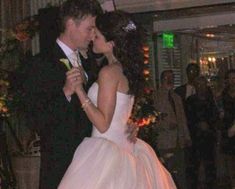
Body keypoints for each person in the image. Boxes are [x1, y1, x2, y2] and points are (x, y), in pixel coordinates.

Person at [58, 11, 177, 189]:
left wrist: (79, 91)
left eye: (96, 35)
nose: (92, 37)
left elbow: (103, 124)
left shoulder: (108, 72)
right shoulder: (123, 69)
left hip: (107, 152)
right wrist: (129, 123)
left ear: (111, 43)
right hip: (124, 148)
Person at [23, 0, 103, 188]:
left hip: (92, 162)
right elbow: (35, 120)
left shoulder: (89, 63)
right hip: (61, 165)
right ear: (70, 24)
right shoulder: (41, 64)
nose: (92, 35)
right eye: (89, 29)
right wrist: (65, 92)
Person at [154, 70, 191, 189]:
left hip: (178, 141)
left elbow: (182, 119)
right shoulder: (156, 96)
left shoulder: (176, 98)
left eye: (172, 78)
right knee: (166, 172)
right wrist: (165, 125)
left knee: (180, 172)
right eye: (167, 78)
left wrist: (186, 137)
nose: (170, 80)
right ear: (162, 80)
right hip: (165, 140)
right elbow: (152, 119)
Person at [186, 76, 218, 189]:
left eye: (203, 85)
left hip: (209, 137)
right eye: (198, 85)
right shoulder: (190, 101)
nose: (201, 87)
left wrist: (208, 125)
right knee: (194, 165)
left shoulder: (211, 100)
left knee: (210, 165)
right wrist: (198, 125)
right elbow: (187, 119)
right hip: (195, 138)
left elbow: (216, 117)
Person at [221, 69, 235, 189]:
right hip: (227, 128)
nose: (233, 81)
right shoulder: (223, 94)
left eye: (234, 78)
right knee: (229, 158)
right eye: (230, 78)